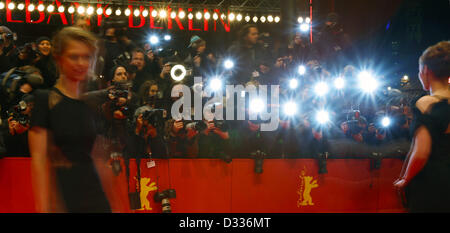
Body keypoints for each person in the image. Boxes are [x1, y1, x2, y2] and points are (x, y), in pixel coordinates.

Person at [28, 27, 111, 213]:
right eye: (74, 56)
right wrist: (43, 207)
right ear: (58, 59)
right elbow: (39, 161)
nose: (81, 63)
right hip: (66, 199)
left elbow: (96, 159)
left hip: (97, 199)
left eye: (86, 57)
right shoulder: (45, 99)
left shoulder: (89, 104)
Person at [393, 41, 450, 212]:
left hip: (433, 184)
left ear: (426, 71)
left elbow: (421, 152)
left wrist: (406, 179)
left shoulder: (425, 104)